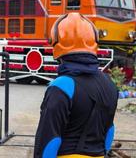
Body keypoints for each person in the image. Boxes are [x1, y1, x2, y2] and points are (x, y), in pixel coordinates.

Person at [34, 13, 118, 158]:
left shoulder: (62, 86)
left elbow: (48, 139)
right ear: (94, 42)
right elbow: (109, 131)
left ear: (56, 43)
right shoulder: (109, 84)